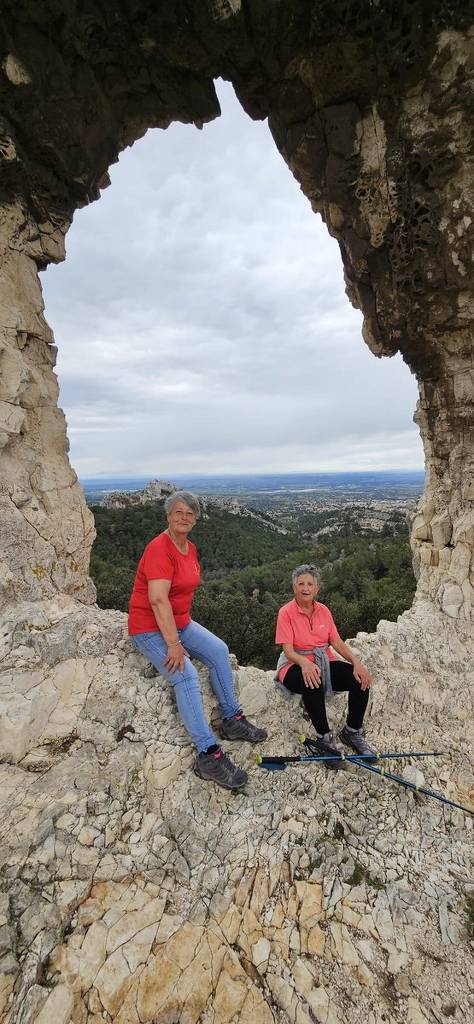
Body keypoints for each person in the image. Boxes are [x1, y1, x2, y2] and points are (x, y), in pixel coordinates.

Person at [128, 490, 267, 790]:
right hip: (149, 628)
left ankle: (231, 719)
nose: (184, 517)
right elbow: (157, 599)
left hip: (181, 623)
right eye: (178, 512)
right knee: (186, 676)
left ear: (196, 519)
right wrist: (174, 645)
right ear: (168, 515)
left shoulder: (189, 549)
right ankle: (207, 754)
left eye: (190, 513)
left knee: (219, 650)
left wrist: (180, 633)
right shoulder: (159, 549)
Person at [275, 564, 376, 763]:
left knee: (359, 679)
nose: (305, 588)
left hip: (323, 660)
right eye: (301, 584)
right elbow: (287, 649)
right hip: (293, 663)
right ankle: (325, 738)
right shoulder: (286, 612)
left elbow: (336, 642)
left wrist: (356, 662)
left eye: (310, 584)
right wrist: (304, 663)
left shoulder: (323, 611)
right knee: (312, 681)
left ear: (317, 589)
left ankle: (352, 732)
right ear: (294, 588)